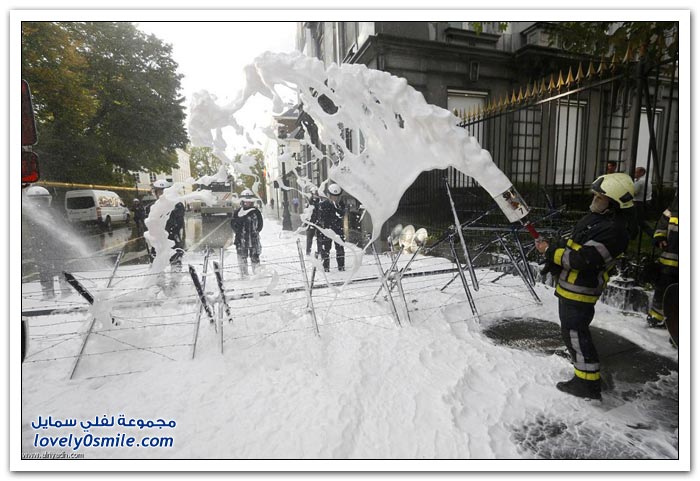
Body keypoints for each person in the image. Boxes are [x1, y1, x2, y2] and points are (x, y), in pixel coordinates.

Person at [535, 173, 636, 400]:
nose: (595, 199)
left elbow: (583, 260)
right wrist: (554, 249)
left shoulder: (614, 231)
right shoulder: (599, 220)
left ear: (613, 202)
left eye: (600, 197)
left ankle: (587, 384)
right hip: (571, 287)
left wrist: (550, 252)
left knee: (576, 335)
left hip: (581, 290)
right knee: (573, 333)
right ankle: (586, 377)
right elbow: (575, 244)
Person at [23, 186, 70, 299]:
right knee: (46, 269)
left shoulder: (51, 214)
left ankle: (61, 289)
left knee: (56, 267)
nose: (40, 204)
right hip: (44, 247)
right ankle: (51, 292)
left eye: (42, 200)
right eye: (36, 201)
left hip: (52, 247)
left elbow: (64, 227)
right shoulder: (29, 216)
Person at [647, 192, 679, 329]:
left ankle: (676, 322)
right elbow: (663, 222)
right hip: (668, 259)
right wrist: (660, 237)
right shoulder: (675, 205)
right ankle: (656, 317)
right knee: (663, 290)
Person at [148, 179, 186, 269]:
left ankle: (176, 275)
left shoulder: (177, 205)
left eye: (163, 192)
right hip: (158, 241)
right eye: (159, 192)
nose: (161, 195)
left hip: (172, 239)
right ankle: (157, 277)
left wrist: (167, 232)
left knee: (175, 263)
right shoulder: (153, 207)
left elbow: (178, 224)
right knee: (155, 265)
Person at [231, 189, 264, 278]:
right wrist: (240, 233)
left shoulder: (256, 212)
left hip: (253, 239)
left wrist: (255, 232)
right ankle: (244, 275)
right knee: (242, 257)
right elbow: (233, 224)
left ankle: (257, 274)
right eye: (246, 201)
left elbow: (260, 225)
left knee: (255, 257)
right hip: (241, 240)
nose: (247, 202)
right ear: (242, 201)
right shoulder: (237, 212)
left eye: (249, 201)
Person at [317, 183, 346, 272]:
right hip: (327, 230)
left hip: (338, 230)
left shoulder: (340, 204)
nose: (335, 198)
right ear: (329, 195)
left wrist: (336, 207)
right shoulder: (323, 204)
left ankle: (341, 266)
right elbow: (320, 218)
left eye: (336, 196)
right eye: (333, 196)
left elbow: (342, 214)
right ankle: (326, 267)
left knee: (340, 249)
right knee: (326, 249)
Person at [633, 167, 655, 238]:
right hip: (644, 201)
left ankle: (653, 235)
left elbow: (634, 192)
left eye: (636, 172)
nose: (634, 173)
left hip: (638, 202)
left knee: (639, 221)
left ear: (641, 173)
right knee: (637, 221)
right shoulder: (646, 180)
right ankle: (633, 235)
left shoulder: (640, 181)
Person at [304, 187, 321, 256]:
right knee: (309, 238)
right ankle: (308, 251)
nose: (315, 195)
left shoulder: (319, 202)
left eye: (316, 194)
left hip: (318, 222)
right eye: (314, 194)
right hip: (311, 222)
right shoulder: (309, 202)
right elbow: (307, 212)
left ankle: (320, 251)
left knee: (319, 238)